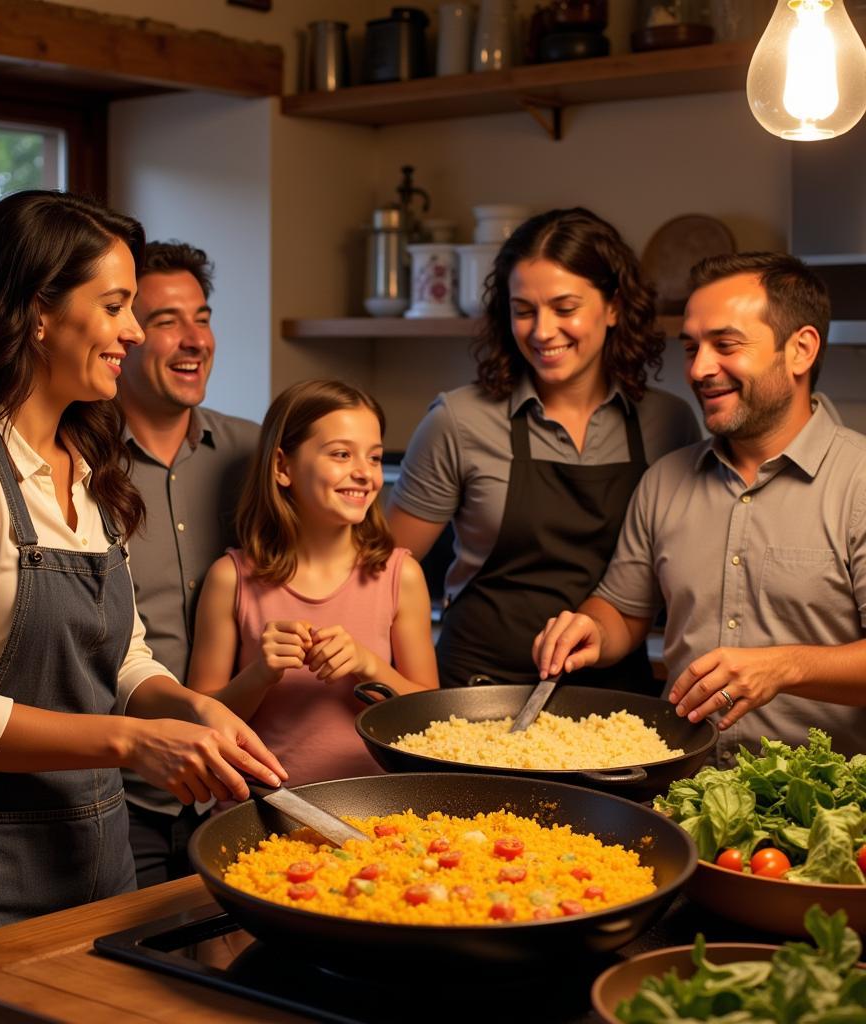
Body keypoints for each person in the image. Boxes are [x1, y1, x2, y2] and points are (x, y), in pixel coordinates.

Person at [0, 190, 285, 1024]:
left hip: (95, 867)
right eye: (117, 306)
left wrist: (190, 707)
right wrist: (132, 742)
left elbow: (118, 658)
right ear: (39, 313)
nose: (132, 332)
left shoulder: (84, 463)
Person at [532, 251, 866, 768]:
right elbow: (623, 609)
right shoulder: (665, 480)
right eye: (691, 348)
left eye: (725, 345)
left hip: (825, 810)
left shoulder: (858, 481)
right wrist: (592, 629)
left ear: (800, 350)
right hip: (685, 792)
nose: (698, 369)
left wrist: (783, 667)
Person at [387, 207, 701, 691]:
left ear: (613, 306)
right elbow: (383, 570)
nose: (542, 331)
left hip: (617, 696)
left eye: (565, 307)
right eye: (524, 310)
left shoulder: (669, 423)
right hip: (476, 687)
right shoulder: (459, 420)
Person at [188, 379, 439, 787]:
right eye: (341, 454)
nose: (364, 474)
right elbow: (200, 724)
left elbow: (431, 715)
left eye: (374, 458)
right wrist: (260, 674)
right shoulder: (229, 579)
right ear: (282, 467)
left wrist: (368, 665)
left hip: (380, 812)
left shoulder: (401, 576)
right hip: (259, 811)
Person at [116, 241, 259, 886]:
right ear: (122, 333)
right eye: (167, 320)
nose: (194, 339)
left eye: (201, 317)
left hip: (235, 785)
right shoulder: (76, 461)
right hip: (117, 795)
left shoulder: (256, 455)